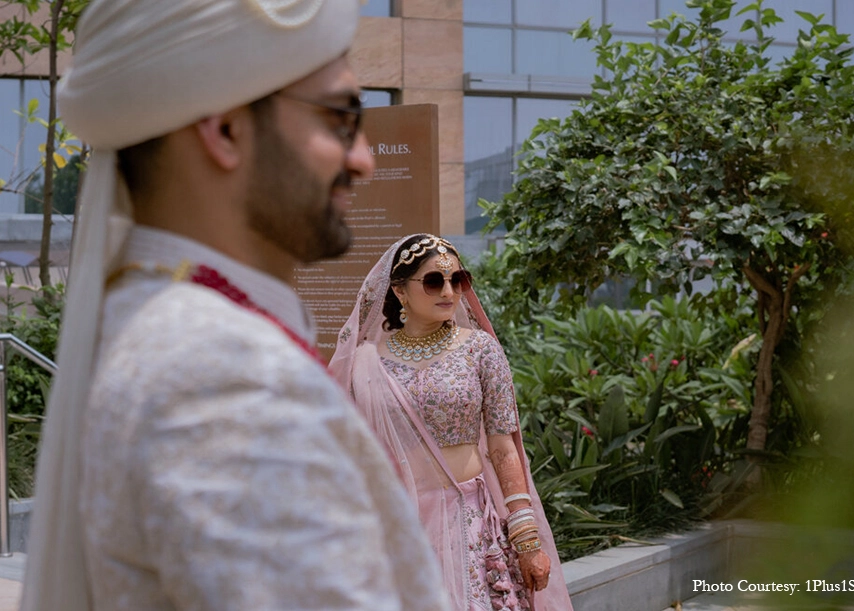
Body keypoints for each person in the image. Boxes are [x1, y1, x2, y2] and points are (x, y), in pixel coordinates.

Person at [20, 2, 451, 610]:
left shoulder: (159, 321)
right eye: (340, 118)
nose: (364, 160)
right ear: (224, 130)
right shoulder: (223, 374)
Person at [329, 234, 575, 611]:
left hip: (472, 523)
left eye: (457, 280)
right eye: (433, 281)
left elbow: (503, 445)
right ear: (399, 291)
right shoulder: (365, 363)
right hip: (397, 529)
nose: (449, 291)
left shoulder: (480, 349)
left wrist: (526, 537)